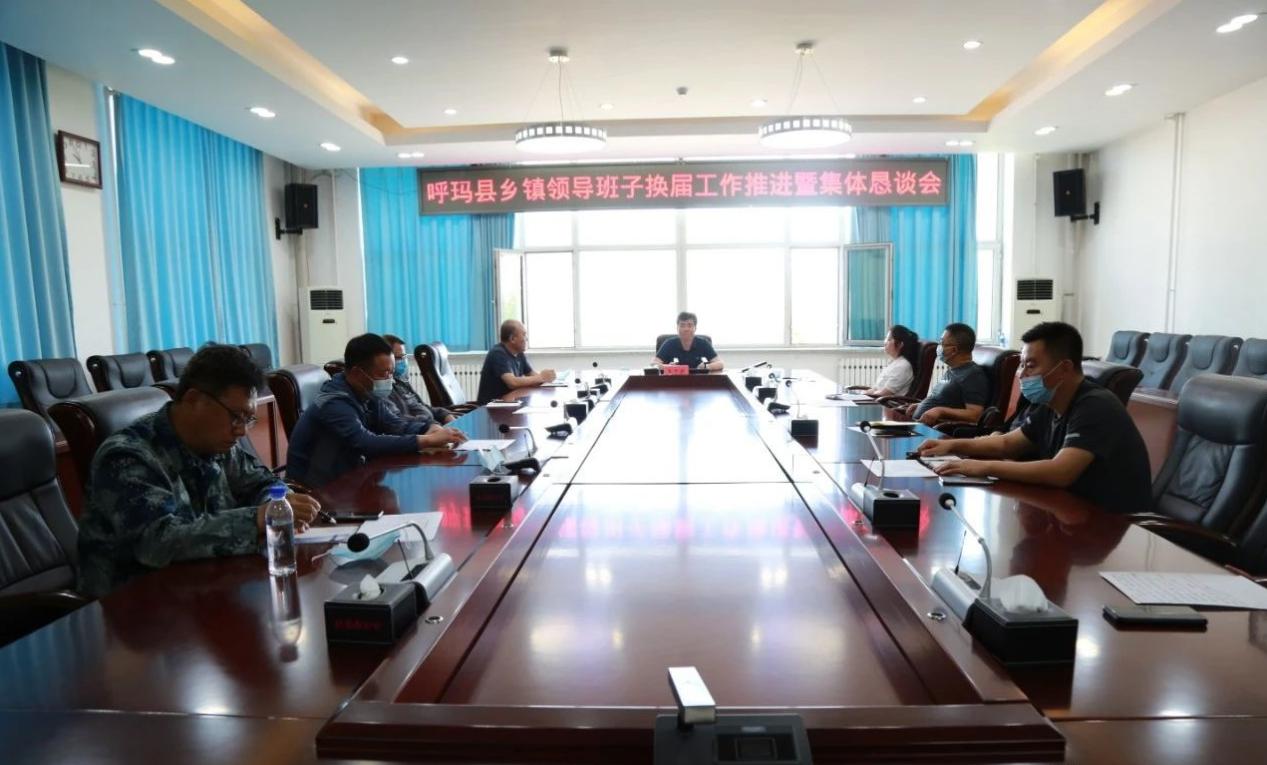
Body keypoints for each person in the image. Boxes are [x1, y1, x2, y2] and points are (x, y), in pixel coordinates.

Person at [77, 345, 323, 598]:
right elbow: (157, 542)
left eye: (248, 419)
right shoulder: (128, 456)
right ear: (194, 399)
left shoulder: (219, 445)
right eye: (236, 416)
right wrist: (256, 519)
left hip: (205, 586)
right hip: (134, 603)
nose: (241, 431)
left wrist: (279, 504)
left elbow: (260, 483)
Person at [918, 321, 1152, 513]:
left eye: (1030, 366)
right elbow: (1007, 444)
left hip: (1110, 521)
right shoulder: (1050, 403)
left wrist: (981, 466)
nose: (1021, 374)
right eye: (1021, 365)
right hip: (1067, 509)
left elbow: (1060, 472)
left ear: (1064, 368)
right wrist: (950, 445)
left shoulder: (1096, 406)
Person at [286, 334, 467, 487]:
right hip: (317, 491)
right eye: (384, 374)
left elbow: (393, 423)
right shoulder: (333, 402)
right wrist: (426, 440)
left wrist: (428, 428)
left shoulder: (366, 392)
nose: (390, 380)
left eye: (391, 372)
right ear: (357, 373)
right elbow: (365, 442)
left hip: (352, 479)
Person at [905, 322, 989, 426]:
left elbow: (975, 414)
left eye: (941, 343)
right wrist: (920, 405)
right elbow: (942, 401)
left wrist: (939, 411)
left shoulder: (973, 375)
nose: (938, 347)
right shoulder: (954, 369)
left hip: (938, 431)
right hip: (920, 425)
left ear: (953, 350)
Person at [381, 333, 457, 426]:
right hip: (422, 430)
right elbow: (401, 419)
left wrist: (445, 415)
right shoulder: (384, 390)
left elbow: (422, 406)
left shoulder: (401, 382)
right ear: (387, 358)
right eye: (398, 358)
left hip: (433, 427)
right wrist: (433, 425)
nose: (403, 361)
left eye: (404, 356)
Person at [477, 319, 556, 404]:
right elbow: (512, 383)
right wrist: (541, 377)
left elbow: (532, 375)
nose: (526, 339)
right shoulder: (498, 353)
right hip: (490, 407)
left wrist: (546, 378)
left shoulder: (519, 353)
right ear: (512, 339)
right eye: (524, 335)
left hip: (509, 402)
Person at [862, 325, 920, 398]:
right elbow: (876, 389)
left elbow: (883, 394)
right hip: (877, 400)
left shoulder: (903, 366)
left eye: (889, 339)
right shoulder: (895, 362)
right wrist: (861, 394)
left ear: (900, 344)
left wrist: (863, 396)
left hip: (886, 403)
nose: (885, 342)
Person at [653, 312, 724, 371]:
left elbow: (720, 363)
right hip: (674, 381)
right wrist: (667, 367)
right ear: (677, 328)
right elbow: (654, 364)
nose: (686, 329)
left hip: (699, 381)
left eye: (690, 325)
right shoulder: (669, 343)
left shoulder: (703, 343)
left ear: (695, 328)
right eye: (682, 325)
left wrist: (706, 366)